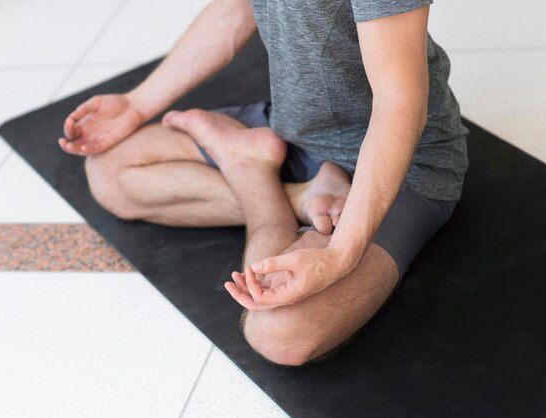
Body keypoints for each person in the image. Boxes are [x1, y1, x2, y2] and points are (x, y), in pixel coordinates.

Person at [59, 0, 468, 366]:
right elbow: (234, 9)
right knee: (109, 172)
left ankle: (249, 167)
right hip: (298, 135)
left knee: (278, 332)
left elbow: (400, 105)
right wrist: (136, 104)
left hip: (406, 162)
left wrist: (340, 253)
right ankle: (299, 195)